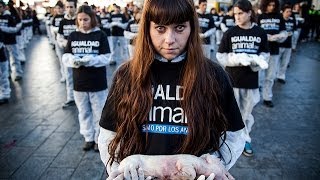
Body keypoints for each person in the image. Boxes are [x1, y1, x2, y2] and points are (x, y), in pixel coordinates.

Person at [98, 0, 245, 179]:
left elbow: (234, 134)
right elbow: (109, 135)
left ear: (192, 28)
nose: (170, 40)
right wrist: (122, 171)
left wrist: (208, 169)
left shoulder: (214, 75)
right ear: (147, 29)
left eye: (180, 28)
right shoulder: (126, 75)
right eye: (160, 28)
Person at [216, 0, 270, 157]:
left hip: (250, 82)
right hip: (231, 81)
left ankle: (245, 139)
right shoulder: (230, 33)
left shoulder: (260, 33)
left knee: (246, 115)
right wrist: (236, 59)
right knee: (228, 114)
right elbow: (221, 56)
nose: (237, 17)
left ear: (249, 13)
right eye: (235, 14)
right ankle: (226, 141)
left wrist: (256, 62)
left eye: (240, 13)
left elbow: (265, 55)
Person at [62, 5, 110, 152]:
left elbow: (107, 58)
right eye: (80, 19)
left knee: (98, 112)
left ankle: (98, 139)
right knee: (83, 112)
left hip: (97, 83)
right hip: (79, 83)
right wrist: (73, 60)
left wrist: (91, 60)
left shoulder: (100, 35)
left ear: (92, 19)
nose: (83, 22)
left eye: (86, 19)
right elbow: (65, 56)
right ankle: (88, 138)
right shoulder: (73, 36)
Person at [258, 0, 287, 108]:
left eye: (273, 5)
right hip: (261, 51)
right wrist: (265, 37)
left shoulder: (279, 17)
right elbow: (255, 31)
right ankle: (256, 96)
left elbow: (284, 32)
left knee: (270, 76)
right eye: (269, 5)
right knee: (258, 75)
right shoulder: (260, 17)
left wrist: (278, 37)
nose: (271, 7)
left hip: (274, 50)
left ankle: (267, 97)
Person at [57, 0, 77, 108]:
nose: (69, 9)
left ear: (75, 7)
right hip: (67, 52)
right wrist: (64, 43)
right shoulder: (62, 21)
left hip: (79, 52)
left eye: (71, 7)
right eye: (67, 7)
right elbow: (59, 37)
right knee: (68, 75)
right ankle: (70, 97)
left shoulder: (79, 20)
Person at [277, 4, 296, 84]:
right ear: (283, 12)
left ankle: (281, 76)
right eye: (287, 11)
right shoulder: (280, 20)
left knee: (285, 62)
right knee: (277, 61)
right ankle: (275, 75)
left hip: (288, 44)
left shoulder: (292, 20)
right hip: (279, 44)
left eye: (290, 11)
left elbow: (294, 29)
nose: (289, 13)